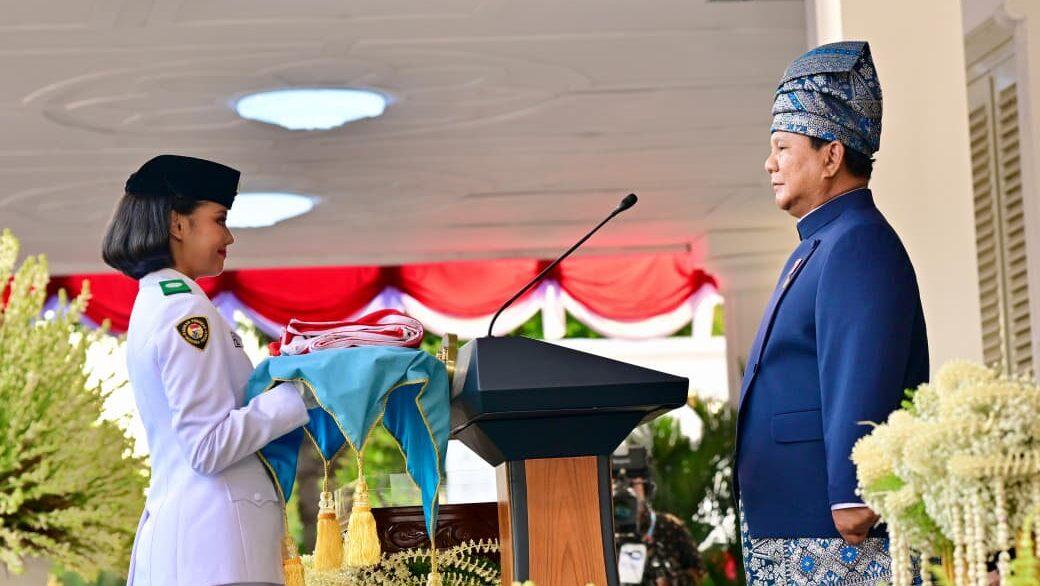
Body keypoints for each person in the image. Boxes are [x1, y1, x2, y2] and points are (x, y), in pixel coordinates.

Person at [734, 41, 929, 584]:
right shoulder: (822, 242)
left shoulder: (857, 241)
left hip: (835, 535)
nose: (770, 164)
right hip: (799, 528)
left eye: (782, 147)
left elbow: (858, 370)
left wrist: (853, 491)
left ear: (831, 156)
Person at [102, 155, 312, 586]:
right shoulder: (184, 310)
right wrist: (302, 391)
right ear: (178, 224)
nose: (229, 236)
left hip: (204, 549)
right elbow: (207, 447)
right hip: (215, 552)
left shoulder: (164, 301)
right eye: (219, 219)